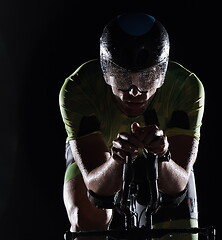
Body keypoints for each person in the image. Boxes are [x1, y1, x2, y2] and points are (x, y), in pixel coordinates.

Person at [59, 12, 205, 240]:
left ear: (162, 73)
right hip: (101, 153)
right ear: (106, 72)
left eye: (147, 77)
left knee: (182, 234)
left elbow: (177, 185)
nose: (135, 91)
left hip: (164, 154)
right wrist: (117, 160)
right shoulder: (78, 87)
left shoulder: (186, 86)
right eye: (123, 78)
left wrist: (163, 154)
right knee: (88, 219)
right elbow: (98, 190)